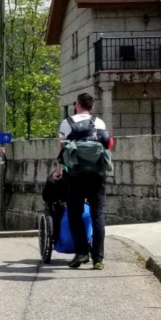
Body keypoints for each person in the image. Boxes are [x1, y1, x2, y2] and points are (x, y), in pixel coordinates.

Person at [55, 92, 111, 270]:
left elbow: (62, 149)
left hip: (76, 174)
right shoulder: (99, 122)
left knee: (74, 213)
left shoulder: (67, 122)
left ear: (77, 105)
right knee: (98, 213)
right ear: (91, 107)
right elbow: (107, 144)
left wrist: (58, 171)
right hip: (97, 174)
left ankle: (81, 252)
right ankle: (98, 259)